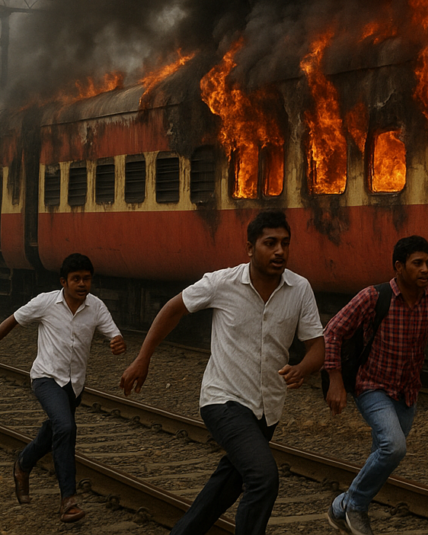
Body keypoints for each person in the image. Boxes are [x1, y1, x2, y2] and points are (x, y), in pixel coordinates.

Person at [118, 210, 324, 535]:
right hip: (223, 400)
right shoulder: (221, 283)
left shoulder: (299, 289)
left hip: (268, 408)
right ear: (250, 248)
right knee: (263, 477)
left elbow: (317, 347)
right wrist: (143, 358)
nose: (280, 251)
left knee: (228, 484)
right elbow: (173, 309)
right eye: (270, 243)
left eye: (285, 243)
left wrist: (303, 368)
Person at [0, 253, 125, 524]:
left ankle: (23, 463)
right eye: (76, 279)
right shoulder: (45, 302)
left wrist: (118, 342)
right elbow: (12, 320)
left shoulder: (96, 306)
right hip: (45, 379)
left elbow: (115, 334)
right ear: (64, 281)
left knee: (55, 431)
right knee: (66, 428)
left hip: (74, 385)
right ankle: (68, 501)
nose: (82, 284)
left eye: (86, 279)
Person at [324, 235, 428, 535]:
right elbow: (332, 331)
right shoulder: (373, 297)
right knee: (394, 447)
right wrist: (335, 380)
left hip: (407, 393)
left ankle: (339, 506)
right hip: (371, 386)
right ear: (399, 267)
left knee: (383, 456)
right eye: (417, 263)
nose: (425, 269)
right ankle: (356, 507)